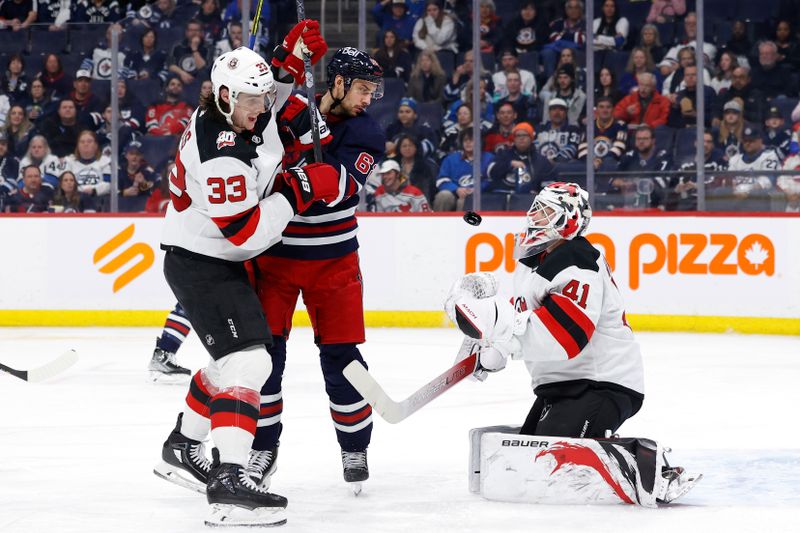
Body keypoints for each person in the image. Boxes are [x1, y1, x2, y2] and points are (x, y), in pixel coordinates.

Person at [153, 21, 333, 526]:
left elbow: (268, 92)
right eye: (252, 103)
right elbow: (247, 234)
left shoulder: (233, 107)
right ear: (227, 96)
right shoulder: (222, 153)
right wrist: (298, 190)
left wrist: (290, 56)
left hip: (208, 259)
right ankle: (229, 483)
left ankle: (182, 444)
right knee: (251, 364)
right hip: (205, 262)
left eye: (261, 100)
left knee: (232, 365)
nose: (262, 110)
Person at [445, 181, 699, 504]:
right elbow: (530, 326)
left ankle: (644, 465)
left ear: (568, 221)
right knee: (528, 462)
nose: (534, 217)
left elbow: (565, 338)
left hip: (602, 384)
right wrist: (494, 344)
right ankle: (600, 442)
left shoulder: (578, 258)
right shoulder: (531, 265)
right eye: (535, 208)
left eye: (546, 211)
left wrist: (497, 322)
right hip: (562, 387)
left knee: (551, 465)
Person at [248, 47, 386, 493]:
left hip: (335, 262)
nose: (368, 98)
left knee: (342, 360)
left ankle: (355, 445)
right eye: (363, 88)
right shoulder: (293, 110)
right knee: (265, 360)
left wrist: (309, 160)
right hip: (277, 256)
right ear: (339, 82)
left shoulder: (367, 131)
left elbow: (342, 190)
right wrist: (285, 57)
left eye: (372, 91)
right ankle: (261, 447)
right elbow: (263, 97)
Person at [712, 125, 780, 211]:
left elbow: (767, 180)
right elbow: (729, 178)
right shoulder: (735, 159)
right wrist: (734, 189)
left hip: (759, 195)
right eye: (745, 141)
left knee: (757, 194)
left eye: (751, 141)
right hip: (737, 194)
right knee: (720, 192)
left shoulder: (769, 156)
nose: (748, 143)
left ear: (760, 141)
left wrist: (746, 191)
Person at [434, 126, 494, 211]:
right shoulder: (451, 159)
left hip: (480, 194)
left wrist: (477, 189)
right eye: (465, 140)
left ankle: (464, 224)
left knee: (465, 201)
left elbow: (492, 180)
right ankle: (439, 223)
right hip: (456, 192)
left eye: (471, 140)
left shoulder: (489, 158)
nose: (468, 143)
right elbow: (442, 180)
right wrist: (456, 189)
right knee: (443, 196)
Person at [614, 124, 674, 208]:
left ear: (653, 140)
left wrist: (634, 184)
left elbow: (662, 182)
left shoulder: (663, 156)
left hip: (655, 204)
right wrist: (622, 184)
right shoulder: (629, 156)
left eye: (645, 139)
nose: (641, 142)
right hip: (629, 204)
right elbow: (614, 179)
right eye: (638, 139)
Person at [487, 122, 556, 193]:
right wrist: (510, 164)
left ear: (531, 138)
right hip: (503, 199)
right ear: (514, 139)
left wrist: (538, 195)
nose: (521, 138)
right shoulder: (503, 154)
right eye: (518, 135)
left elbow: (549, 188)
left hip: (529, 201)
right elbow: (490, 172)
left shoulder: (542, 161)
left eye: (525, 135)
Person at [671, 130, 726, 211]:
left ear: (713, 145)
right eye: (702, 141)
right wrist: (676, 190)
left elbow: (721, 188)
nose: (705, 145)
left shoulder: (719, 164)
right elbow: (670, 189)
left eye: (709, 142)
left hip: (709, 206)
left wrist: (697, 187)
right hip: (685, 206)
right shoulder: (683, 165)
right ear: (696, 143)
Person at [578, 96, 627, 170]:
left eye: (608, 107)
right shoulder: (589, 126)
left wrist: (599, 161)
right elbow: (582, 147)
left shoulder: (620, 126)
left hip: (611, 162)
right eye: (601, 107)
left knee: (609, 162)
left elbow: (619, 147)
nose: (605, 110)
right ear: (596, 109)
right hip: (590, 162)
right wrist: (591, 161)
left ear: (613, 109)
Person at [540, 0, 586, 77]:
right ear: (566, 10)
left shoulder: (586, 24)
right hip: (558, 50)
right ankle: (551, 80)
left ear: (581, 10)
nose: (573, 10)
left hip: (578, 51)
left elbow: (582, 39)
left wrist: (562, 37)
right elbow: (554, 38)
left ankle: (578, 80)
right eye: (570, 8)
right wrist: (574, 36)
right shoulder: (557, 23)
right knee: (548, 52)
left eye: (576, 8)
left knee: (572, 53)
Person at [64, 130, 112, 200]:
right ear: (78, 146)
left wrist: (94, 190)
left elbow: (108, 184)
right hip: (74, 199)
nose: (86, 144)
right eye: (82, 142)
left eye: (89, 141)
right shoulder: (69, 161)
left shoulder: (105, 161)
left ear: (96, 145)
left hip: (99, 199)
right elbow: (64, 183)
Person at [535, 98, 580, 163]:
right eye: (553, 109)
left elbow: (571, 149)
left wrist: (554, 160)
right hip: (539, 166)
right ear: (549, 112)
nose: (557, 113)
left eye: (561, 110)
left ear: (566, 113)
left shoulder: (572, 130)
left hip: (562, 167)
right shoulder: (539, 129)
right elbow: (534, 147)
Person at [168, 19, 211, 85]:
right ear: (186, 32)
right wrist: (182, 73)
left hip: (199, 80)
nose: (194, 33)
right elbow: (170, 64)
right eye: (191, 30)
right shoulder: (178, 46)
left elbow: (203, 68)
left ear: (201, 32)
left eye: (196, 30)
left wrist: (194, 49)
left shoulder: (208, 47)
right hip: (180, 77)